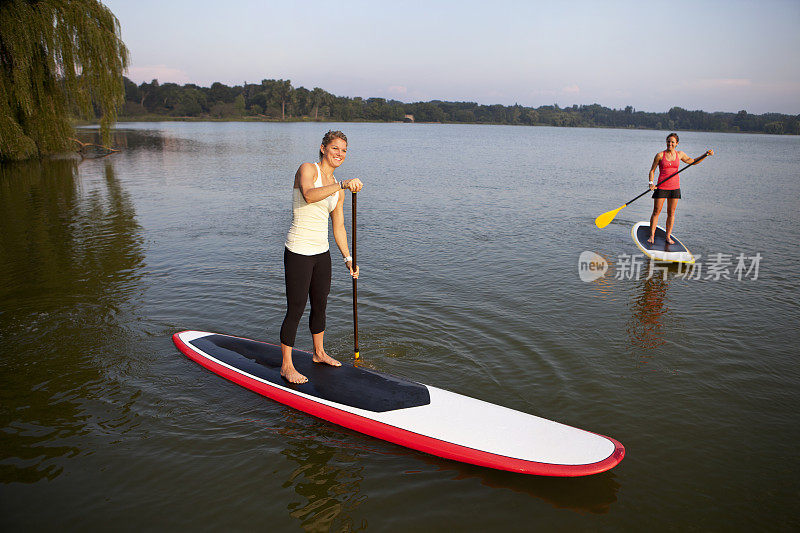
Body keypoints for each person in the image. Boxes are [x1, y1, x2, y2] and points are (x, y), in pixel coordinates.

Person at [280, 130, 363, 384]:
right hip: (298, 251)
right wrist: (340, 185)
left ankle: (318, 353)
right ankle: (286, 365)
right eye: (335, 148)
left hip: (321, 253)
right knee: (296, 309)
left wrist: (348, 258)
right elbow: (308, 194)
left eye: (344, 150)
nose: (340, 154)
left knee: (320, 304)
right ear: (323, 148)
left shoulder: (337, 189)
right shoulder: (308, 169)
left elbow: (338, 226)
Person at [647, 133, 713, 244]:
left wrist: (705, 155)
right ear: (666, 142)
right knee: (656, 212)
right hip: (661, 187)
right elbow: (652, 170)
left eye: (672, 142)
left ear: (677, 143)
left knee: (671, 213)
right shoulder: (660, 155)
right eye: (668, 141)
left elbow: (693, 162)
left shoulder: (680, 154)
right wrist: (651, 183)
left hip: (674, 187)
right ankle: (652, 236)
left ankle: (668, 237)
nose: (670, 144)